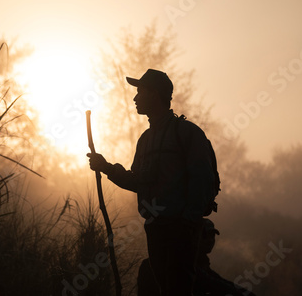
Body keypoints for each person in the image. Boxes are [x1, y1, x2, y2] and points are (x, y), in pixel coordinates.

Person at [87, 69, 216, 296]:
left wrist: (188, 221)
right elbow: (138, 181)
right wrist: (106, 167)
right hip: (155, 229)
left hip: (180, 229)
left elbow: (202, 179)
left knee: (178, 289)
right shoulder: (145, 140)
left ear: (155, 94)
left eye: (140, 92)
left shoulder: (187, 133)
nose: (135, 98)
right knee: (163, 289)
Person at [138, 218, 258, 296]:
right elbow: (210, 282)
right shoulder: (183, 261)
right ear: (194, 237)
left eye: (212, 236)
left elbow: (217, 280)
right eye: (205, 236)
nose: (210, 240)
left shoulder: (201, 262)